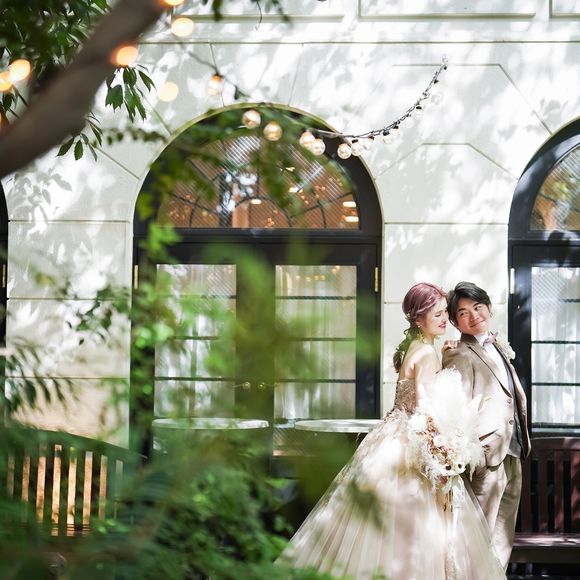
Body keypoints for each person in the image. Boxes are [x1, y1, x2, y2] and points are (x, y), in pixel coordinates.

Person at [278, 283, 505, 579]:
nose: (444, 319)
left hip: (394, 436)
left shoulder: (419, 348)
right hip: (414, 440)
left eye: (444, 313)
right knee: (416, 527)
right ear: (418, 318)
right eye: (438, 314)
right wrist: (444, 453)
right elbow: (426, 412)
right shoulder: (425, 353)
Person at [443, 281, 531, 570]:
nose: (473, 316)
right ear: (455, 322)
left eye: (478, 307)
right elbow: (455, 410)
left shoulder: (499, 347)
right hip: (485, 459)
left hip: (513, 452)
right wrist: (474, 457)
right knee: (477, 538)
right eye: (463, 313)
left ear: (489, 308)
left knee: (502, 538)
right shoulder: (458, 353)